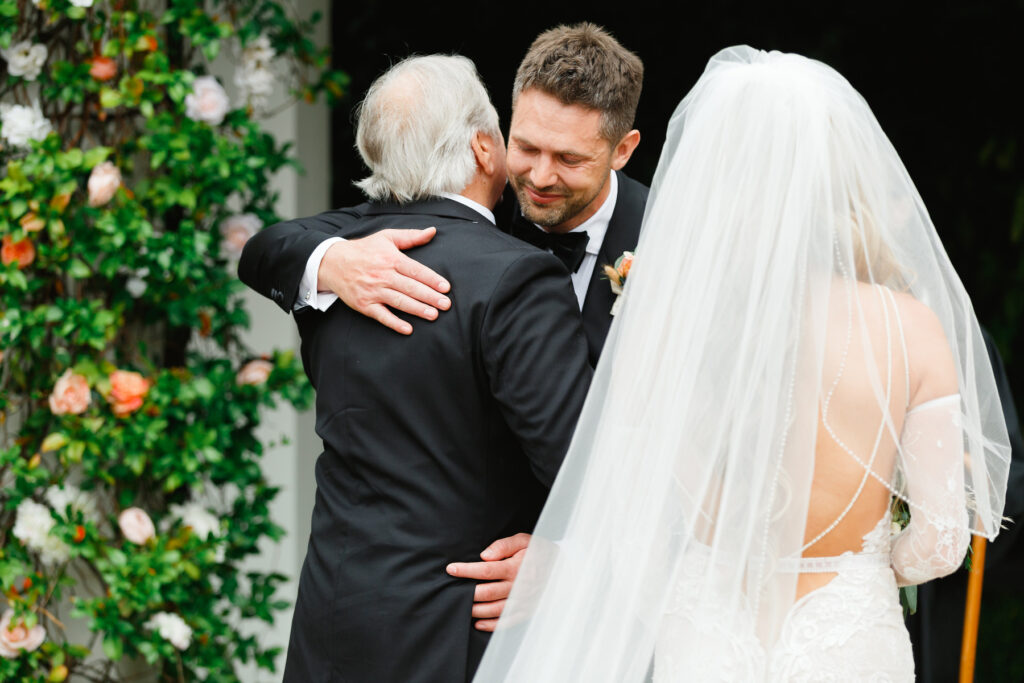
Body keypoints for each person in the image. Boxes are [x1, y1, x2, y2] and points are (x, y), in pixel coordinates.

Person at [472, 47, 1012, 682]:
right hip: (850, 643)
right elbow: (945, 544)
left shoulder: (668, 322)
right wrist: (861, 568)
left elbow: (629, 522)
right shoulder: (913, 329)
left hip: (705, 640)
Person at [238, 22, 646, 629]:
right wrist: (333, 262)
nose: (537, 176)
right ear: (495, 137)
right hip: (458, 605)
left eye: (568, 159)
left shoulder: (674, 242)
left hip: (596, 596)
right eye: (526, 147)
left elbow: (699, 444)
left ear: (623, 150)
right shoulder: (473, 204)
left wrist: (575, 562)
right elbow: (270, 246)